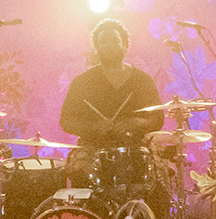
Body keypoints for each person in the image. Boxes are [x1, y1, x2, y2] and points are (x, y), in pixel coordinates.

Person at [59, 18, 160, 149]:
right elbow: (67, 121)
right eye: (103, 41)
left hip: (135, 150)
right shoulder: (82, 81)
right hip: (93, 151)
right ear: (96, 48)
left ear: (125, 46)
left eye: (115, 40)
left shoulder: (142, 80)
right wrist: (94, 127)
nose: (109, 45)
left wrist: (136, 123)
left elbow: (157, 118)